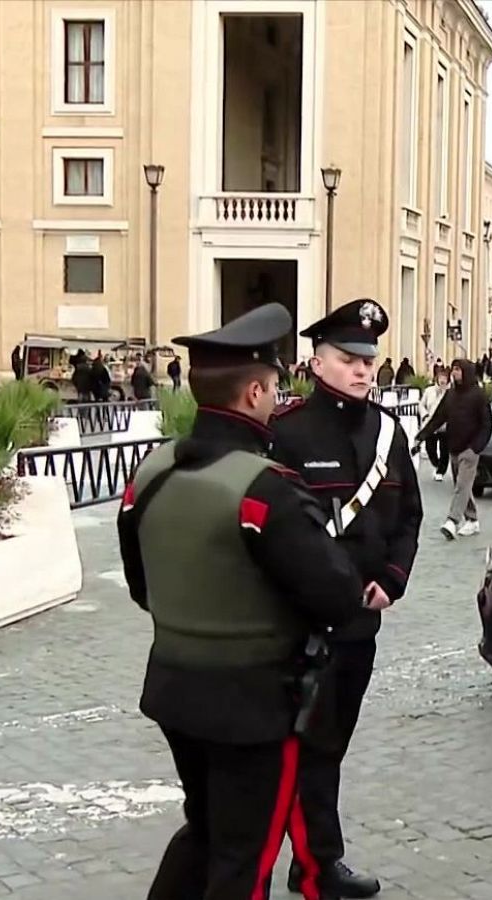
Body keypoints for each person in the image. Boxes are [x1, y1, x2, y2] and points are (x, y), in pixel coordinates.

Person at [116, 303, 374, 900]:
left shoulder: (150, 474)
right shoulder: (265, 490)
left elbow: (139, 586)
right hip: (255, 706)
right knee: (244, 858)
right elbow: (337, 596)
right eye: (275, 385)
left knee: (205, 830)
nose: (276, 395)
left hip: (175, 689)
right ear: (254, 391)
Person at [269, 298, 422, 899]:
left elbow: (408, 514)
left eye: (368, 359)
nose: (361, 370)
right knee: (301, 748)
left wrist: (394, 576)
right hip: (301, 626)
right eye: (347, 358)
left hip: (362, 625)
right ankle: (313, 866)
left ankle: (313, 862)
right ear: (317, 361)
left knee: (329, 746)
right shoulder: (286, 434)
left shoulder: (387, 430)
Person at [415, 359, 492, 539]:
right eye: (454, 370)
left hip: (470, 449)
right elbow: (438, 418)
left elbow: (487, 424)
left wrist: (476, 447)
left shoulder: (478, 395)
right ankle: (472, 520)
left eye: (458, 370)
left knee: (462, 485)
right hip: (454, 447)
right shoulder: (450, 395)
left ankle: (452, 521)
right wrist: (421, 436)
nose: (455, 373)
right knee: (463, 486)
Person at [417, 365, 451, 482]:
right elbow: (421, 404)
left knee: (444, 449)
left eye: (445, 378)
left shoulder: (450, 393)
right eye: (440, 377)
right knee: (429, 448)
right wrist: (424, 414)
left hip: (445, 426)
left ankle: (441, 470)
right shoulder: (429, 391)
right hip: (431, 424)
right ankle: (436, 464)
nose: (442, 380)